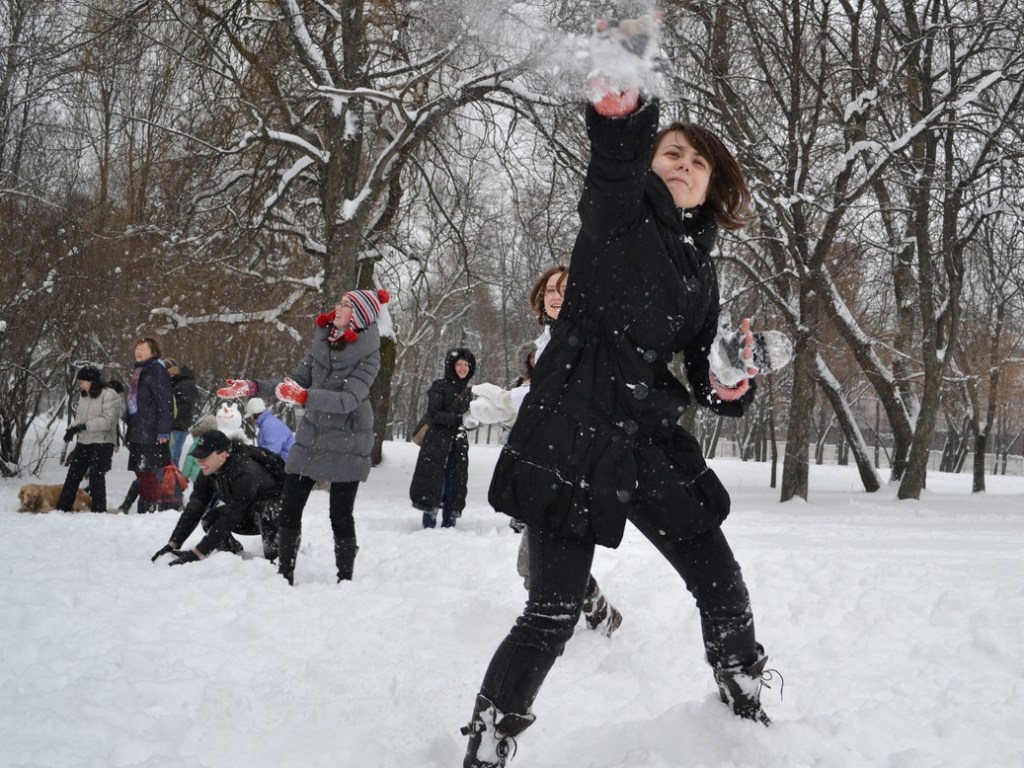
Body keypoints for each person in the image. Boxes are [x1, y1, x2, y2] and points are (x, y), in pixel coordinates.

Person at [460, 38, 775, 767]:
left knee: (719, 574)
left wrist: (730, 383)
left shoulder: (701, 271)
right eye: (672, 154)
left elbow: (704, 371)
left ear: (711, 188)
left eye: (698, 163)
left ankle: (741, 685)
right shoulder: (618, 216)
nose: (684, 167)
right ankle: (489, 738)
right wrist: (623, 108)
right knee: (553, 610)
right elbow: (612, 164)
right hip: (575, 428)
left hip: (649, 435)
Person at [468, 267, 623, 637]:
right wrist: (512, 407)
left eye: (565, 290)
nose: (556, 296)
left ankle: (547, 624)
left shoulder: (585, 337)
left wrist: (512, 401)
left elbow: (567, 396)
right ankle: (574, 614)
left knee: (542, 558)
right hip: (547, 460)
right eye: (551, 289)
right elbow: (546, 397)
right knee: (542, 556)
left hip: (574, 464)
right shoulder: (548, 339)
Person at [216, 288, 389, 584]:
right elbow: (292, 384)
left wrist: (305, 396)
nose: (339, 307)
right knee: (290, 507)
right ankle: (284, 574)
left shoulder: (370, 357)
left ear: (359, 316)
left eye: (347, 305)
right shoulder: (322, 345)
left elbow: (349, 398)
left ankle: (345, 579)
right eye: (340, 302)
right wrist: (254, 387)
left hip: (349, 441)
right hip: (311, 438)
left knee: (340, 515)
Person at [150, 430, 282, 566]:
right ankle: (233, 556)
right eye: (198, 457)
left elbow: (233, 516)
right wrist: (173, 543)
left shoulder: (245, 470)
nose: (200, 462)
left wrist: (198, 553)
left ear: (222, 455)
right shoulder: (210, 471)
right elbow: (195, 507)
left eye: (204, 457)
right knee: (210, 520)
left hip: (277, 518)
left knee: (267, 510)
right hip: (248, 513)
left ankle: (275, 561)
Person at [409, 347, 476, 528]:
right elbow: (434, 413)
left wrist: (474, 421)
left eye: (466, 364)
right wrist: (458, 419)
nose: (462, 368)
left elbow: (474, 418)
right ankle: (428, 523)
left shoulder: (471, 392)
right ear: (451, 366)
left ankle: (449, 523)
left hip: (458, 443)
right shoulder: (439, 385)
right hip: (437, 441)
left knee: (454, 483)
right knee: (433, 481)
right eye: (458, 364)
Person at [56, 366, 122, 513]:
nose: (81, 385)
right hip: (84, 442)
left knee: (96, 478)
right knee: (73, 475)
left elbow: (108, 421)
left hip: (102, 443)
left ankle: (98, 512)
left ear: (92, 381)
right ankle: (62, 508)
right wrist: (71, 429)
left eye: (83, 381)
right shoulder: (84, 396)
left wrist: (84, 427)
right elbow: (80, 418)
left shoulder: (109, 394)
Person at [124, 337, 174, 514]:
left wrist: (163, 430)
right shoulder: (141, 371)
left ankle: (149, 509)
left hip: (151, 431)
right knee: (141, 472)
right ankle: (145, 507)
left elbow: (165, 403)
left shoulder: (157, 371)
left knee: (148, 473)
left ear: (153, 352)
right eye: (137, 348)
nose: (138, 351)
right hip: (138, 430)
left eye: (143, 349)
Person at [166, 359, 198, 467]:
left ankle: (172, 482)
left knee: (171, 459)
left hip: (178, 425)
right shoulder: (178, 382)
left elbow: (185, 406)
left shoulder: (184, 384)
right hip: (176, 425)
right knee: (170, 458)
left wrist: (170, 415)